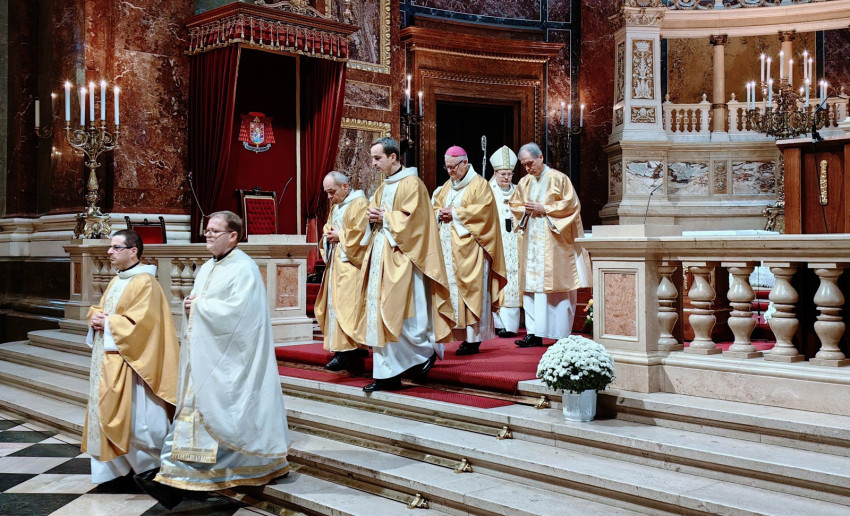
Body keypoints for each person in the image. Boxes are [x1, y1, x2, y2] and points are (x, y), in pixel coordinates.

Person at [136, 211, 290, 509]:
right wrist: (192, 304)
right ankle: (176, 477)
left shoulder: (244, 268)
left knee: (224, 415)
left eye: (214, 231)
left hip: (231, 361)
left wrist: (201, 307)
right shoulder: (207, 266)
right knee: (198, 415)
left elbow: (241, 315)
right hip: (207, 356)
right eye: (206, 230)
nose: (207, 235)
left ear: (233, 236)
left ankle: (183, 479)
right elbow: (201, 302)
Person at [83, 230, 179, 488]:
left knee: (139, 423)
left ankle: (147, 471)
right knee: (111, 415)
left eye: (116, 247)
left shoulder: (145, 282)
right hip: (111, 361)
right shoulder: (118, 279)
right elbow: (106, 309)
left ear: (133, 251)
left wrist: (108, 323)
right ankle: (117, 472)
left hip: (134, 365)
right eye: (111, 247)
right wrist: (95, 318)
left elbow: (143, 325)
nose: (109, 252)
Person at [361, 137, 455, 392]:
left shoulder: (412, 184)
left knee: (400, 316)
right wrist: (370, 218)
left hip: (404, 260)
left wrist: (386, 217)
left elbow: (417, 223)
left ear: (393, 157)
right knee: (382, 314)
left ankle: (423, 353)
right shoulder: (383, 187)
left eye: (377, 158)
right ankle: (387, 374)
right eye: (372, 158)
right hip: (383, 259)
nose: (373, 164)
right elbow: (374, 215)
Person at [509, 142, 590, 347]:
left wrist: (544, 208)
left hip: (555, 244)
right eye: (524, 165)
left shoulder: (559, 179)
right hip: (532, 246)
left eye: (530, 163)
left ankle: (559, 334)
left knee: (556, 290)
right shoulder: (524, 183)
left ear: (540, 157)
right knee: (532, 290)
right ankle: (534, 333)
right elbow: (515, 206)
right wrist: (524, 210)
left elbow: (572, 205)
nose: (528, 168)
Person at [432, 146, 506, 355]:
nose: (450, 171)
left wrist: (455, 214)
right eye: (446, 167)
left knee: (474, 291)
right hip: (449, 248)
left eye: (453, 167)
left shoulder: (480, 185)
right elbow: (435, 206)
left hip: (473, 251)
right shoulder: (447, 186)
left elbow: (484, 214)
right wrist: (439, 213)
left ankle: (474, 339)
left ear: (464, 163)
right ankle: (458, 334)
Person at [316, 171, 370, 371]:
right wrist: (329, 235)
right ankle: (347, 349)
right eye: (327, 193)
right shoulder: (337, 206)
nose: (329, 197)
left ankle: (346, 352)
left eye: (332, 192)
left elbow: (362, 235)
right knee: (336, 306)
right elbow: (328, 228)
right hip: (336, 265)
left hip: (351, 266)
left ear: (345, 186)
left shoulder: (360, 204)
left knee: (348, 307)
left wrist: (341, 236)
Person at [488, 145, 522, 338]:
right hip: (496, 243)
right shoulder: (487, 192)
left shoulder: (519, 191)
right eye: (502, 174)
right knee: (495, 279)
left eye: (509, 174)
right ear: (495, 173)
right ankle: (497, 322)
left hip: (515, 244)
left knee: (513, 281)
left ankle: (511, 326)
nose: (506, 178)